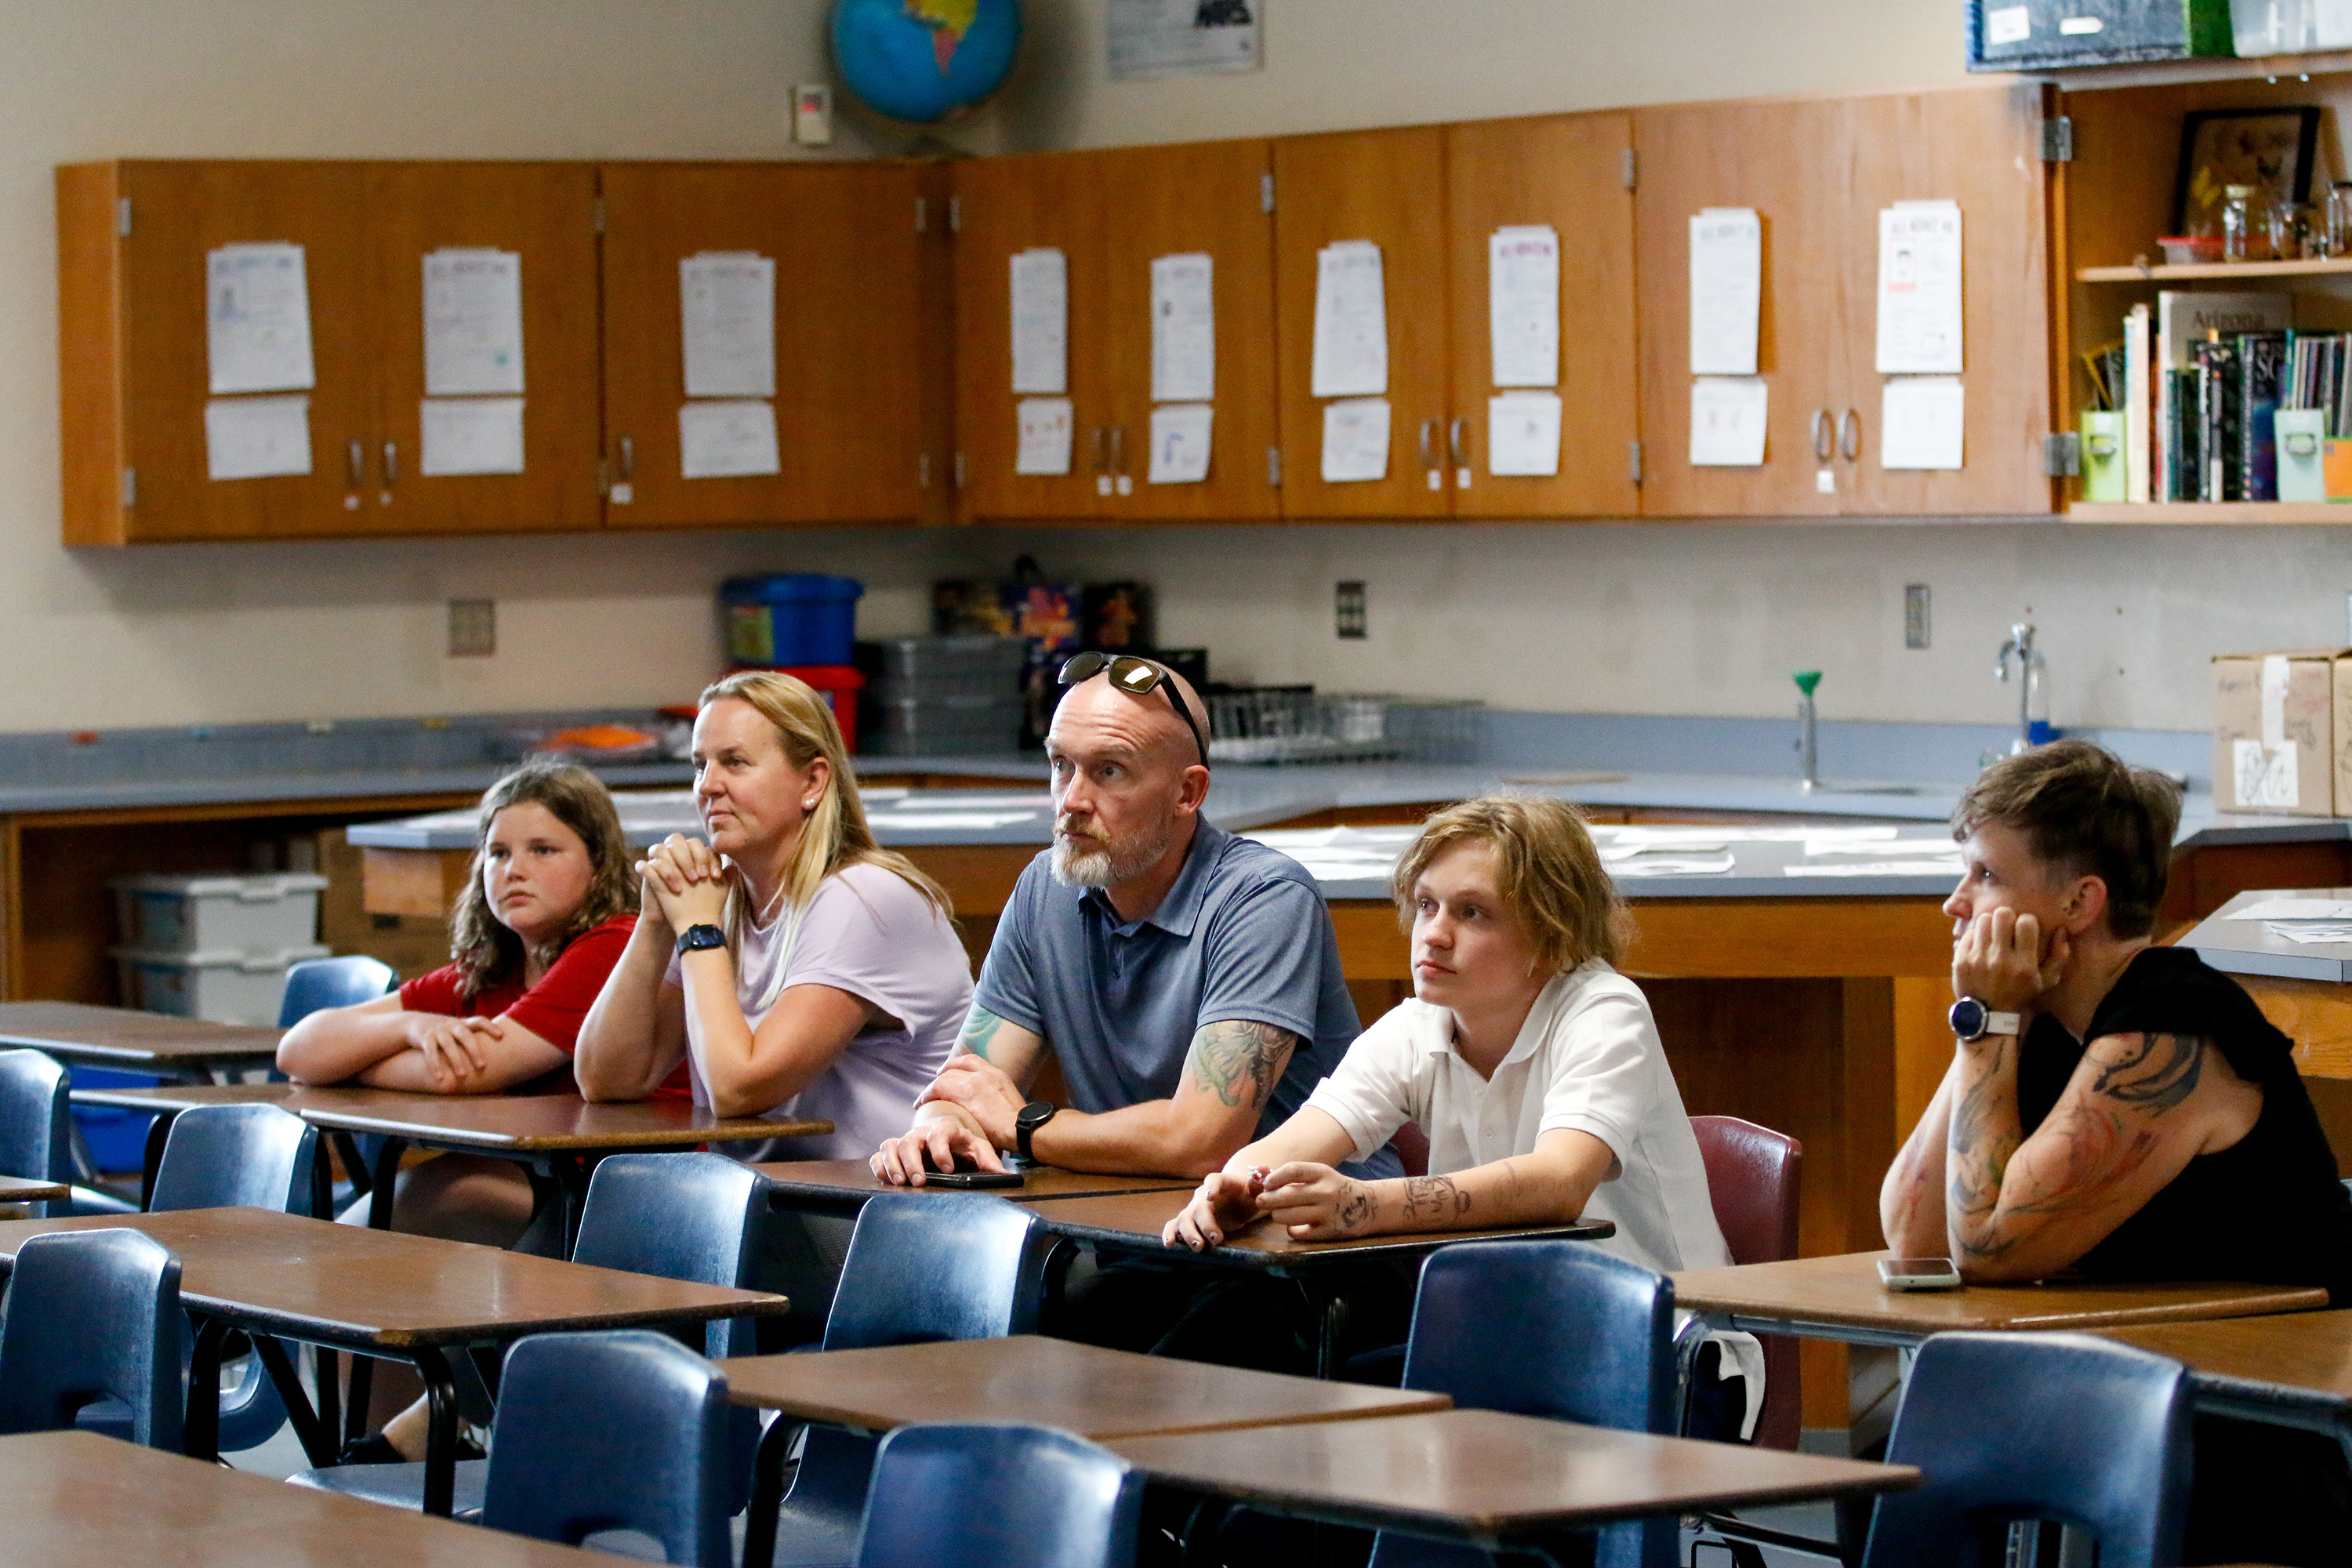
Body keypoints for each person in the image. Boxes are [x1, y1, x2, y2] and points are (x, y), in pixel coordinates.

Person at [1879, 738, 2352, 1566]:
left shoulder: (2173, 1027)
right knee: (1899, 1475)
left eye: (1986, 874)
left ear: (2079, 901)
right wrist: (1984, 1025)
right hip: (2130, 1391)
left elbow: (1990, 1248)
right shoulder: (2041, 1023)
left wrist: (1989, 1022)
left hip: (2256, 1432)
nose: (1955, 904)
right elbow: (1915, 1238)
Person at [1160, 793, 1759, 1434]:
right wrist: (1234, 1187)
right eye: (1426, 905)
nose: (1434, 934)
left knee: (1358, 1440)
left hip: (1667, 1361)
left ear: (1551, 939)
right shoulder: (1418, 1027)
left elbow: (1558, 1183)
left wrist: (1364, 1206)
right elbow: (1293, 1143)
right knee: (1260, 1393)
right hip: (1502, 1354)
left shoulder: (1605, 1011)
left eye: (1472, 913)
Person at [868, 652, 1397, 1369]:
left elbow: (1200, 1141)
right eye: (1061, 766)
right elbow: (971, 1084)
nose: (1070, 800)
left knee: (1133, 1383)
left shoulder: (1264, 898)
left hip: (1308, 1254)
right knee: (984, 1363)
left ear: (1188, 793)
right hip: (1158, 1244)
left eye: (1108, 771)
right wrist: (937, 1126)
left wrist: (1026, 1124)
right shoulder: (1046, 888)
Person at [575, 669, 972, 1330]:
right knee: (578, 1246)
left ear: (813, 782)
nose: (707, 787)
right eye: (700, 765)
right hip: (780, 1207)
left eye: (734, 763)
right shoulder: (727, 903)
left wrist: (698, 932)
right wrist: (653, 926)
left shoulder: (861, 897)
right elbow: (608, 1078)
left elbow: (740, 1088)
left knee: (620, 1261)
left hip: (892, 1225)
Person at [274, 757, 640, 1461]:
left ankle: (410, 1445)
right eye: (498, 853)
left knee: (402, 1209)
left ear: (598, 865)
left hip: (613, 1193)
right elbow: (302, 1048)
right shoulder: (489, 970)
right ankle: (372, 1453)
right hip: (532, 1181)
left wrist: (383, 1058)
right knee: (352, 1253)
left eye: (544, 851)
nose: (514, 870)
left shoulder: (612, 946)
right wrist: (410, 1029)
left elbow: (475, 1071)